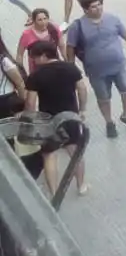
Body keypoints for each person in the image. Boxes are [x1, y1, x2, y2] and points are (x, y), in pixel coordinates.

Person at [64, 0, 126, 138]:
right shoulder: (77, 26)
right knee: (103, 98)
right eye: (94, 6)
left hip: (119, 65)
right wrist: (70, 67)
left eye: (100, 4)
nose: (98, 8)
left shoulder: (112, 19)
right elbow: (70, 47)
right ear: (85, 10)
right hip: (96, 71)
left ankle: (125, 115)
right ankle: (109, 122)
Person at [24, 40, 88, 196]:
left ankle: (54, 192)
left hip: (49, 120)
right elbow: (82, 88)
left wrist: (30, 120)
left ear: (44, 56)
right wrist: (83, 109)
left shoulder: (35, 75)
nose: (34, 61)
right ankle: (81, 185)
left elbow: (31, 102)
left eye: (35, 57)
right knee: (75, 152)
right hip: (70, 117)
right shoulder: (70, 68)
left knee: (49, 155)